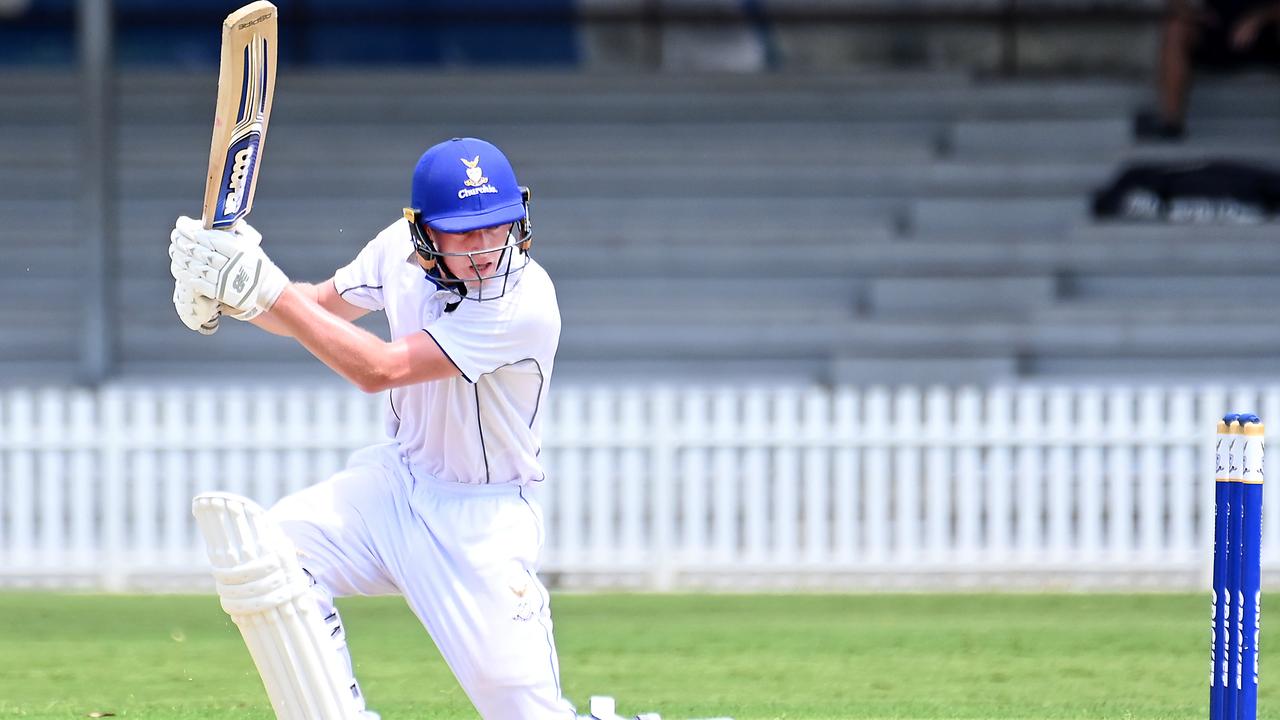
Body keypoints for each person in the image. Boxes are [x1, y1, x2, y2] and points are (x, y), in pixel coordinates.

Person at [169, 137, 584, 719]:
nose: (487, 248)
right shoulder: (395, 250)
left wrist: (258, 285)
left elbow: (378, 370)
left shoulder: (525, 301)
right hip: (394, 486)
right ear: (422, 233)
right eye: (465, 232)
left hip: (480, 521)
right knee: (273, 555)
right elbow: (315, 308)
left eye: (498, 226)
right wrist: (232, 295)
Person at [1136, 0, 1280, 140]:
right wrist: (1190, 13)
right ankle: (1171, 122)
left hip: (1266, 36)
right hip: (1218, 35)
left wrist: (1259, 18)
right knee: (1176, 27)